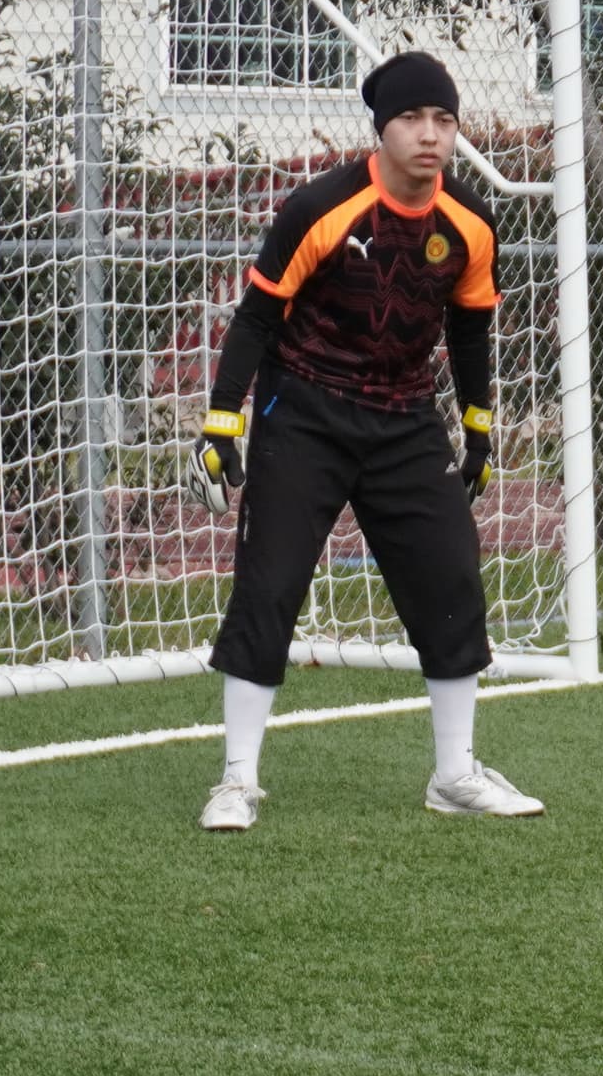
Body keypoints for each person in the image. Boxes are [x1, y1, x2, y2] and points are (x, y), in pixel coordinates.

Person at [189, 51, 538, 832]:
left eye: (443, 120)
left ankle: (454, 775)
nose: (430, 135)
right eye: (412, 119)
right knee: (270, 586)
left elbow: (470, 329)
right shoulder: (320, 206)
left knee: (451, 576)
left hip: (405, 417)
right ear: (382, 128)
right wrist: (221, 421)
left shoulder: (472, 222)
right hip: (303, 412)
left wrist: (479, 429)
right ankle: (237, 781)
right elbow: (256, 318)